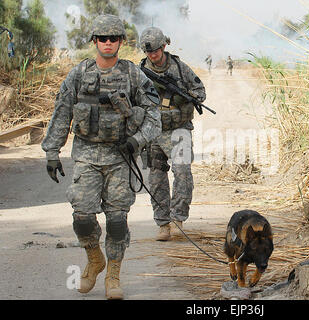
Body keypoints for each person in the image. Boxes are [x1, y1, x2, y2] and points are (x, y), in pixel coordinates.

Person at [41, 14, 162, 300]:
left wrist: (136, 141)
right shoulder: (79, 74)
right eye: (103, 38)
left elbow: (154, 117)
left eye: (114, 38)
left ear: (121, 42)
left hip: (121, 157)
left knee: (117, 220)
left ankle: (113, 275)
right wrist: (51, 151)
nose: (108, 43)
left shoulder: (133, 75)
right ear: (95, 41)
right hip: (86, 154)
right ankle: (95, 259)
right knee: (82, 216)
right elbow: (62, 112)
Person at [139, 27, 206, 241]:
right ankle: (163, 224)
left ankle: (178, 219)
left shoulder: (179, 67)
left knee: (183, 173)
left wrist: (184, 97)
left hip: (179, 130)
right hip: (153, 132)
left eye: (156, 51)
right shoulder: (139, 72)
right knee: (157, 178)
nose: (152, 56)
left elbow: (200, 92)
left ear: (164, 46)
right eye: (148, 52)